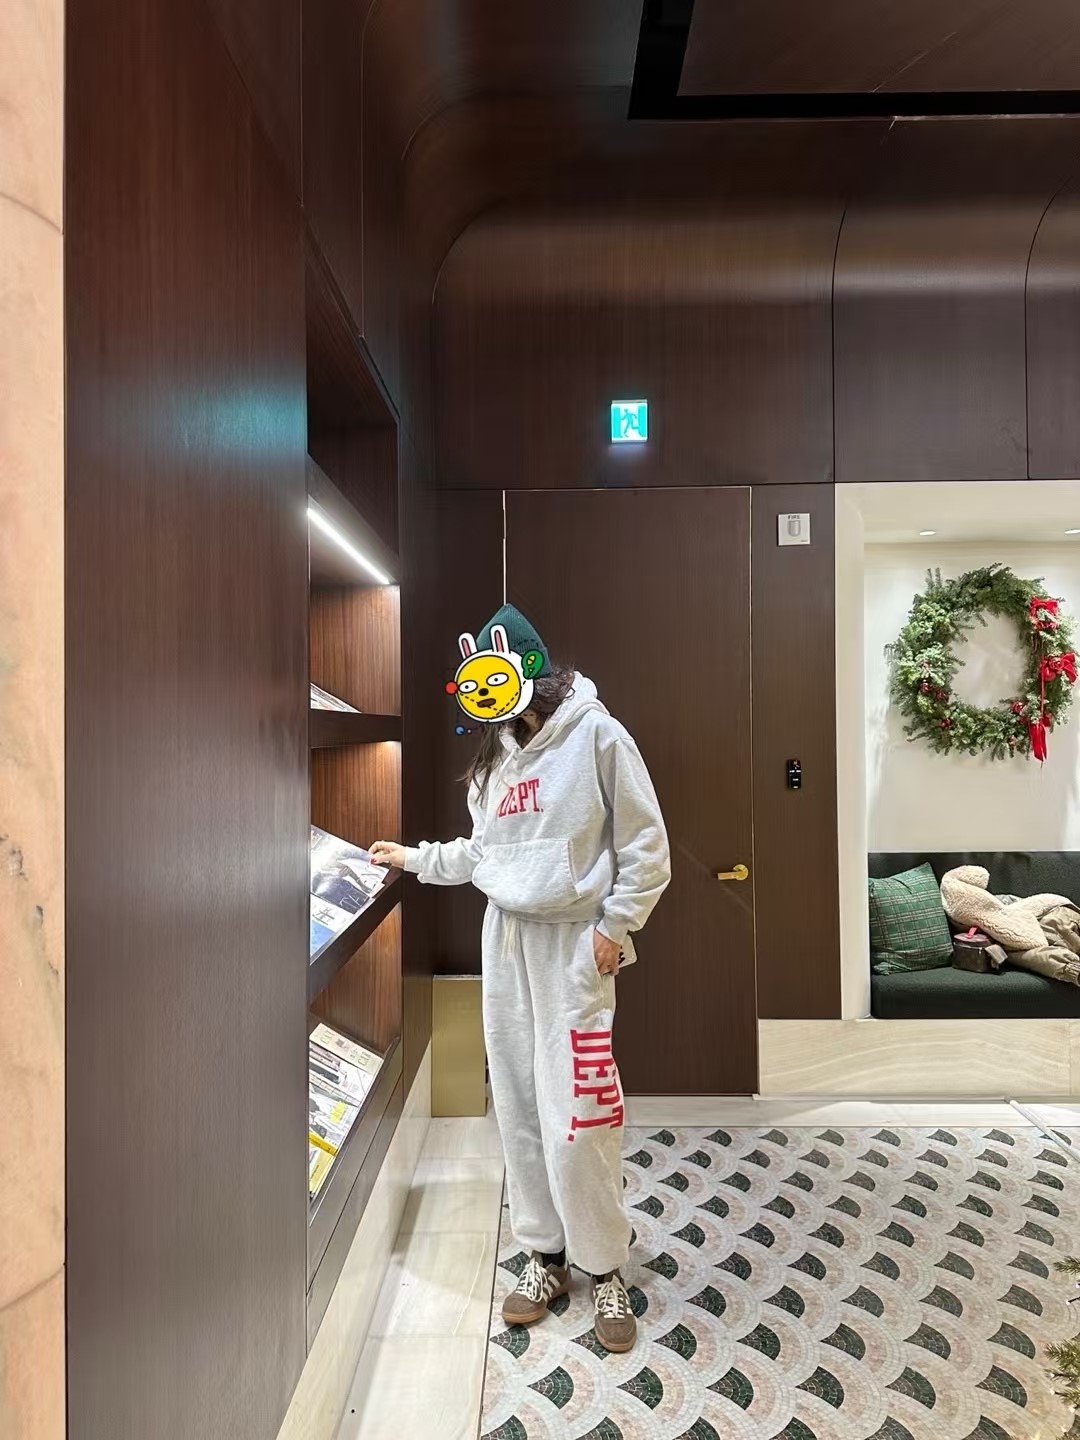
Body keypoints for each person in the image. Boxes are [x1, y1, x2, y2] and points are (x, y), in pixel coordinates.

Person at [371, 604, 670, 1353]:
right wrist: (414, 858)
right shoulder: (494, 760)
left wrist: (615, 927)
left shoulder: (599, 736)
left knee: (581, 1116)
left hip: (574, 947)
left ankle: (605, 1263)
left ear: (528, 671)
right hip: (504, 941)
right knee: (518, 1105)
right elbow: (484, 855)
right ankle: (546, 1255)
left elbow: (647, 845)